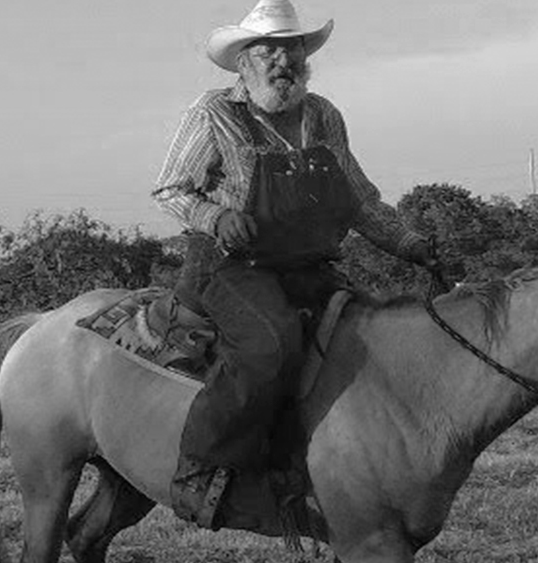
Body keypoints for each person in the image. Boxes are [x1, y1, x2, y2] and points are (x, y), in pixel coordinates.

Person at [153, 0, 436, 529]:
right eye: (268, 51)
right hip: (230, 264)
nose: (283, 60)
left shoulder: (324, 115)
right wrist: (214, 216)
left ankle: (342, 469)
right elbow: (170, 188)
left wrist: (409, 243)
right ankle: (200, 469)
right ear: (242, 62)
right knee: (272, 344)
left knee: (374, 340)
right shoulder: (212, 113)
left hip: (307, 263)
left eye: (292, 49)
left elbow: (359, 200)